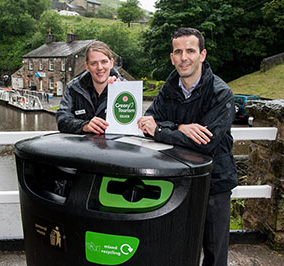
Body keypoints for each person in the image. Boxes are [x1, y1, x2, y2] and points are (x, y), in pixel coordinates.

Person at [138, 27, 237, 266]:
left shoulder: (221, 93)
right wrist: (181, 127)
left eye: (190, 51)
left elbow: (206, 142)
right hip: (176, 181)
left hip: (214, 183)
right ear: (172, 57)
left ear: (202, 55)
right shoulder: (168, 88)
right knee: (175, 245)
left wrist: (162, 131)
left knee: (214, 252)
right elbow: (147, 122)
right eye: (178, 52)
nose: (184, 57)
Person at [56, 41, 123, 134]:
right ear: (87, 66)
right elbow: (62, 120)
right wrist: (85, 126)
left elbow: (134, 125)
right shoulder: (73, 88)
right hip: (83, 147)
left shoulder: (126, 88)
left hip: (113, 147)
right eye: (93, 63)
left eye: (104, 62)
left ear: (111, 63)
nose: (100, 67)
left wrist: (120, 91)